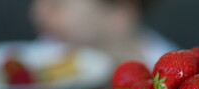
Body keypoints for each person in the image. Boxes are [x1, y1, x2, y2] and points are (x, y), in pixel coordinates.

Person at [30, 0, 178, 67]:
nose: (37, 13)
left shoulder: (163, 64)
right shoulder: (49, 46)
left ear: (119, 15)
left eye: (57, 6)